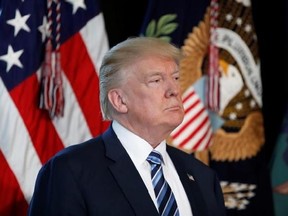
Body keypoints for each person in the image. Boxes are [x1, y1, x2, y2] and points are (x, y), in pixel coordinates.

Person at [28, 37, 226, 216]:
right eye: (156, 80)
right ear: (119, 100)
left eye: (175, 78)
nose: (174, 90)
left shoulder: (202, 178)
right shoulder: (69, 171)